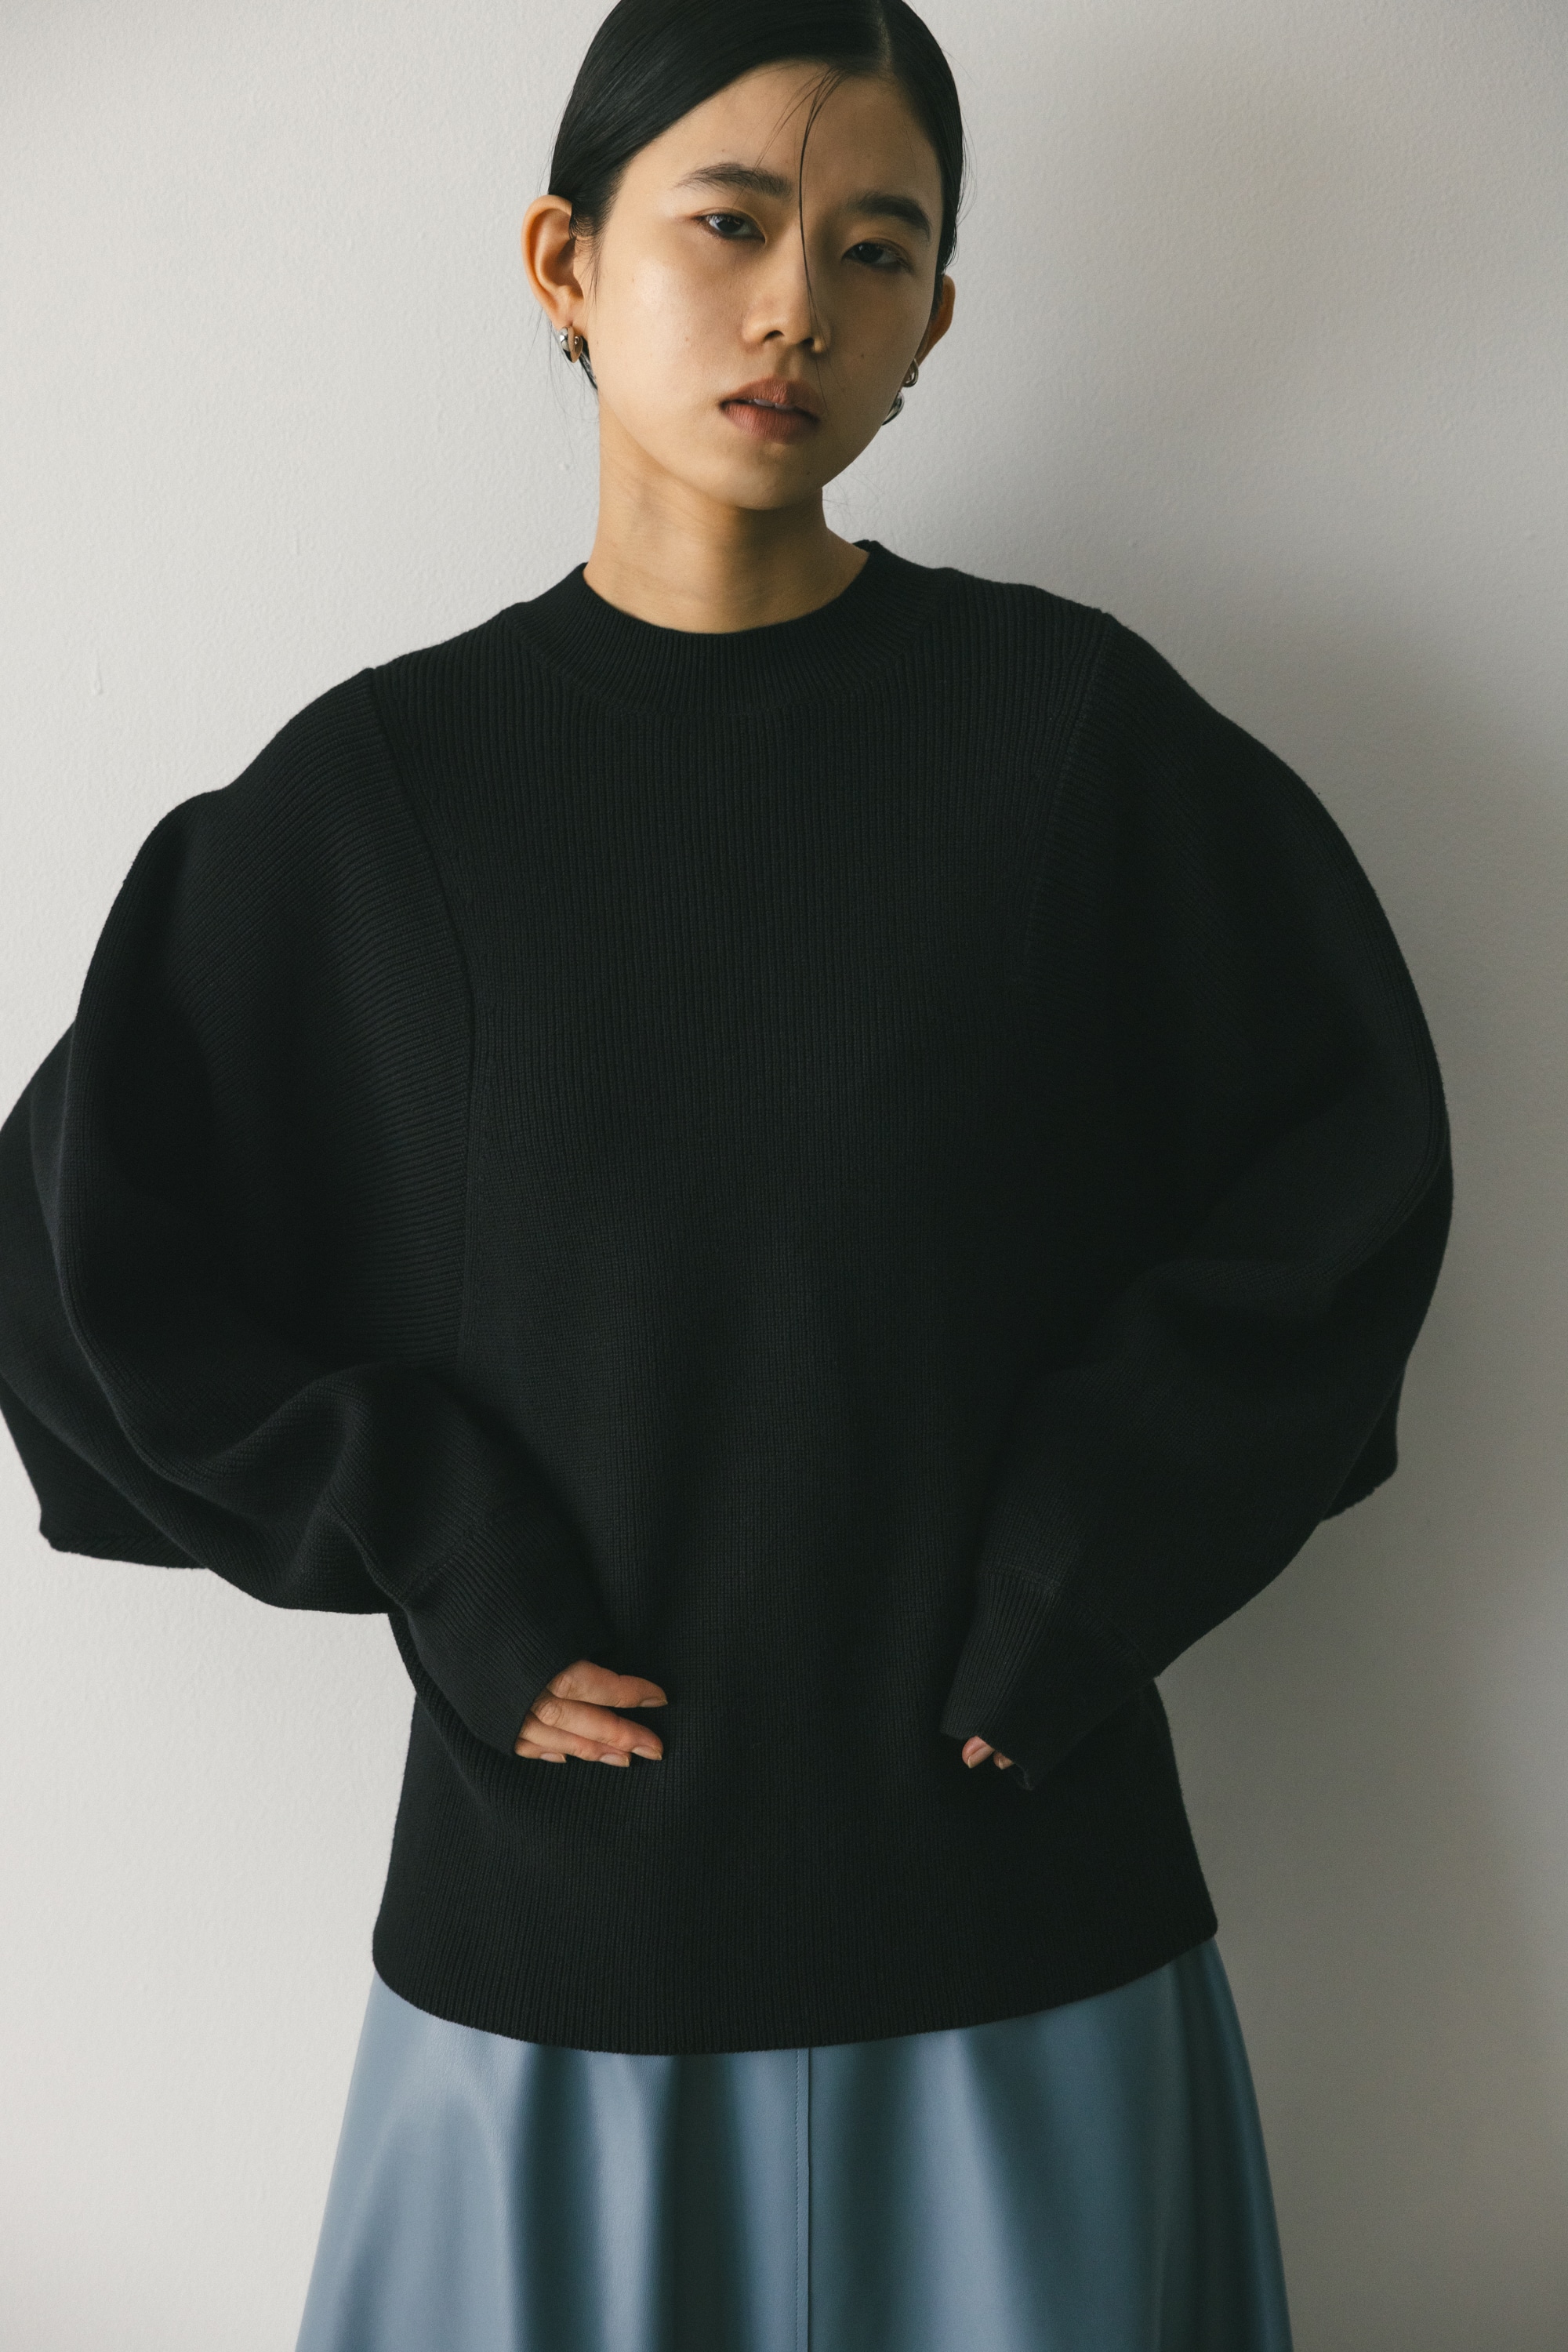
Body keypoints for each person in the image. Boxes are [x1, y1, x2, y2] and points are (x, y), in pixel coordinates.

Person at [0, 2, 1453, 2346]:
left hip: (1018, 1930)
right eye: (731, 222)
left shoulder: (1070, 745)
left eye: (877, 250)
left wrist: (1090, 1563)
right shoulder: (387, 797)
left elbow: (1343, 1176)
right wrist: (425, 1535)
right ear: (567, 261)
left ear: (937, 322)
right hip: (558, 1968)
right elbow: (79, 1255)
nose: (799, 306)